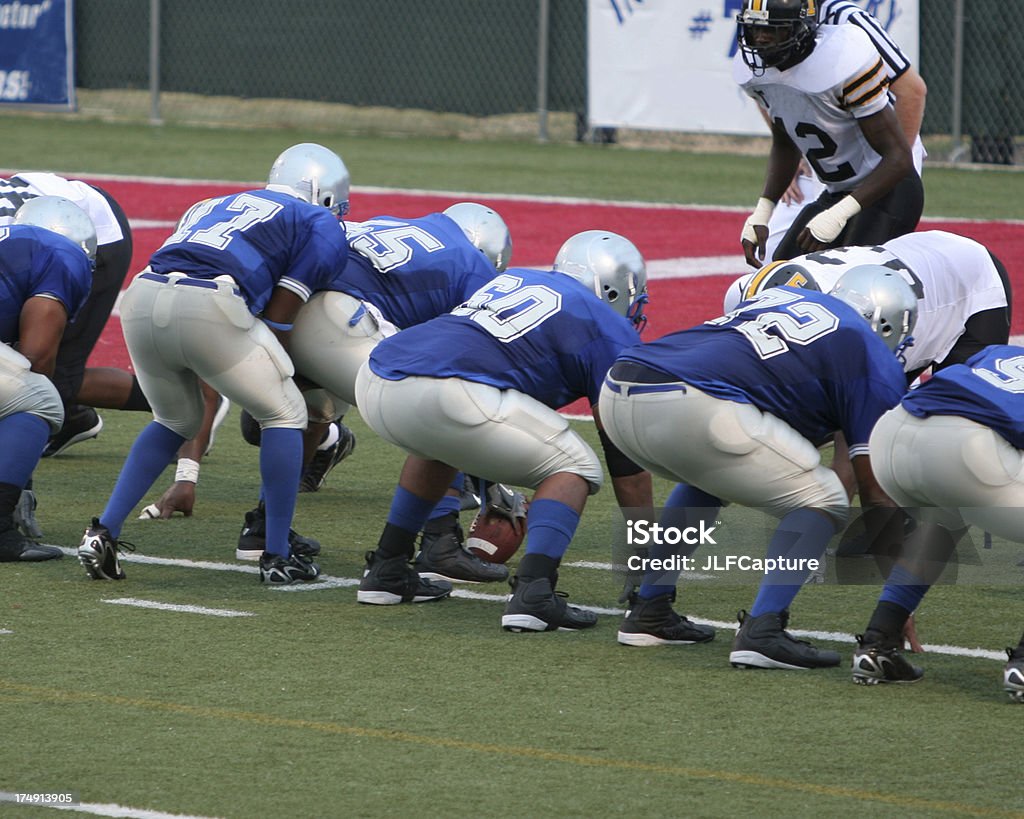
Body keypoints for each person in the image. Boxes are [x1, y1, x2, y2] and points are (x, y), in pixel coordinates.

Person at [598, 265, 917, 669]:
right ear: (888, 325)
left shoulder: (782, 300)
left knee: (711, 474)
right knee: (826, 496)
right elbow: (874, 492)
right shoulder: (867, 352)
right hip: (691, 403)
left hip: (621, 389)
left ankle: (650, 607)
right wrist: (897, 604)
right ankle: (764, 629)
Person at [76, 142, 351, 585]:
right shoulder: (318, 221)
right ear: (324, 195)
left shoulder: (212, 203)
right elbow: (282, 313)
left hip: (143, 298)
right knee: (285, 413)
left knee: (173, 419)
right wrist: (274, 360)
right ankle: (276, 554)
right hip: (210, 303)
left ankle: (102, 531)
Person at [354, 230, 656, 633]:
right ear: (615, 291)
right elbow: (625, 462)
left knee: (443, 442)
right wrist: (649, 555)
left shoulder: (515, 279)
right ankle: (534, 593)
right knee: (576, 468)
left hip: (377, 375)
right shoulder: (605, 325)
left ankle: (387, 567)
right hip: (443, 391)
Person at [851, 344, 1024, 701]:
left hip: (893, 435)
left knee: (941, 522)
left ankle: (878, 642)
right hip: (964, 444)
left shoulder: (1000, 352)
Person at [0, 172, 144, 539]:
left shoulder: (55, 251)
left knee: (46, 381)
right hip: (35, 226)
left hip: (82, 227)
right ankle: (74, 419)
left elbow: (34, 359)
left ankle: (175, 401)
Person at [735, 0, 923, 268]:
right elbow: (785, 140)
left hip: (883, 175)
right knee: (783, 277)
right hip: (836, 184)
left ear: (801, 29)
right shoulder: (762, 66)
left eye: (773, 30)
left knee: (849, 280)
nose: (762, 40)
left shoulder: (844, 50)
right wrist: (762, 210)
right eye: (755, 29)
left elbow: (899, 150)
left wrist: (843, 212)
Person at [0, 196, 95, 561]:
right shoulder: (61, 253)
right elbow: (37, 357)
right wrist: (19, 476)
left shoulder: (15, 243)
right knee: (40, 397)